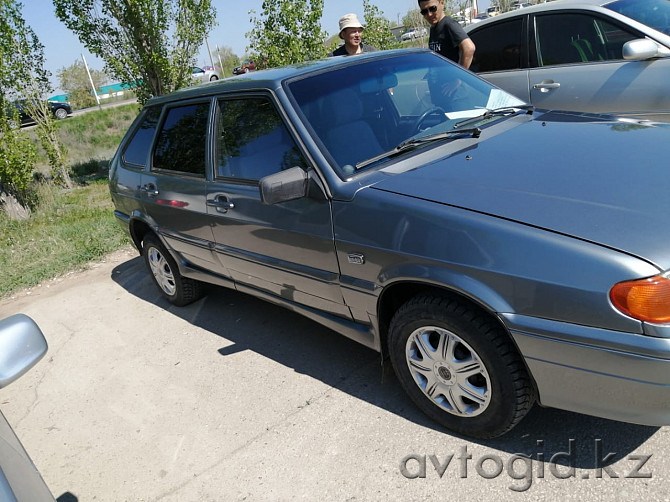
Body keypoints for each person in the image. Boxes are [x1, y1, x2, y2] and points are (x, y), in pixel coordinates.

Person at [418, 0, 475, 69]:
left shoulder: (449, 24)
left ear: (442, 3)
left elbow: (469, 48)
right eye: (424, 12)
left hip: (451, 78)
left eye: (432, 8)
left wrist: (459, 76)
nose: (429, 14)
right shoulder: (433, 28)